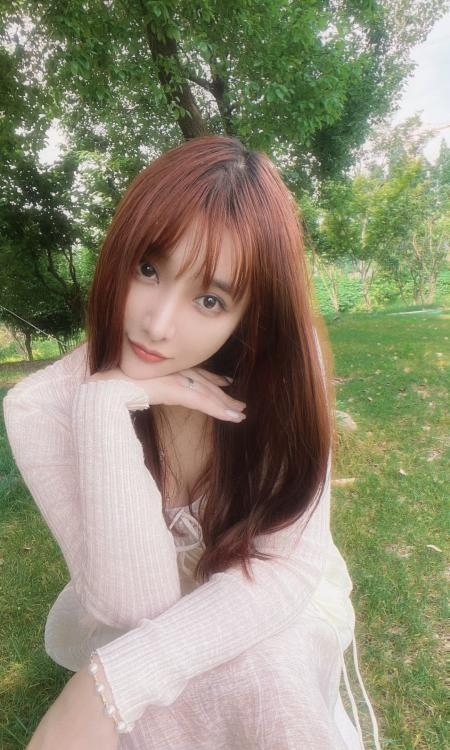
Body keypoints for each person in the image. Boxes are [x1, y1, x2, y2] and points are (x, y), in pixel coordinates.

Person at [3, 135, 380, 750]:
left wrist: (110, 685)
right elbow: (134, 605)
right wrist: (103, 405)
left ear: (249, 316)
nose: (156, 325)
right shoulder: (40, 406)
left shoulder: (284, 372)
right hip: (133, 613)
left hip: (262, 598)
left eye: (210, 299)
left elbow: (284, 568)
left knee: (270, 667)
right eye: (149, 268)